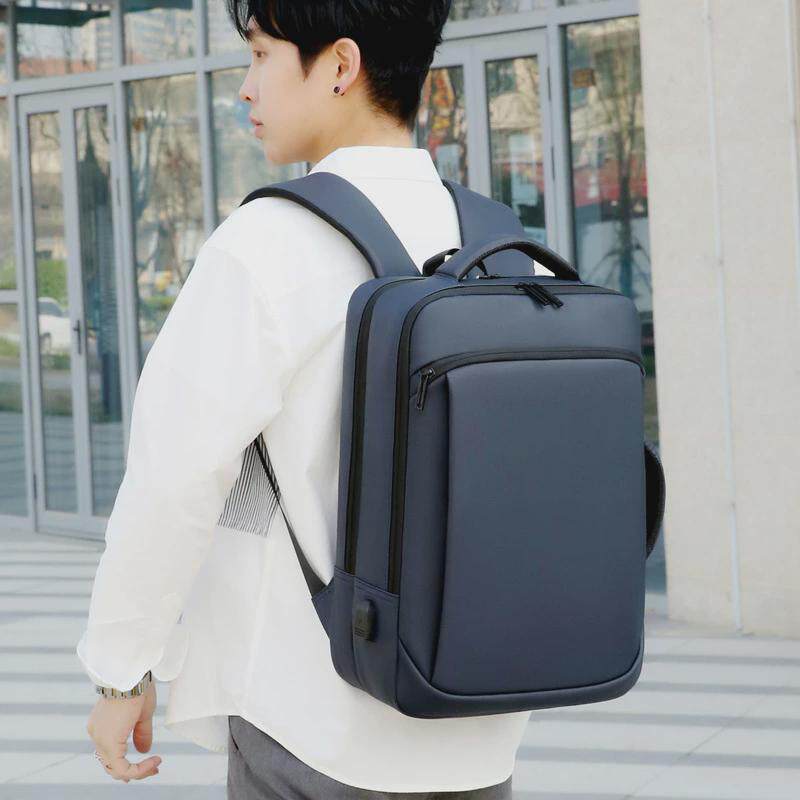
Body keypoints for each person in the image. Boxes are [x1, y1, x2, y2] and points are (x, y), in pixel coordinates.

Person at [78, 1, 532, 797]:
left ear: (341, 66)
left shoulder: (267, 245)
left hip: (316, 725)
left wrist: (122, 670)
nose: (246, 87)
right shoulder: (502, 245)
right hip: (480, 722)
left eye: (261, 55)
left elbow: (175, 479)